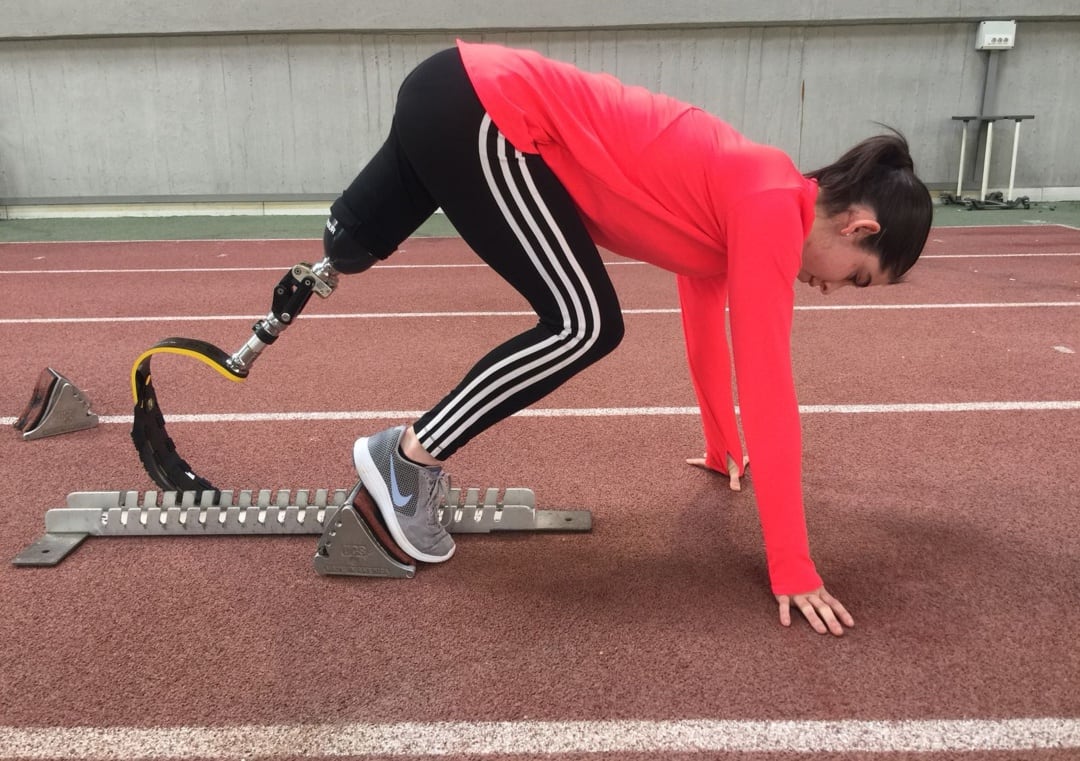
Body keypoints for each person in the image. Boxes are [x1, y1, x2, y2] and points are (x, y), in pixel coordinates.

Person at [321, 40, 933, 637]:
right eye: (855, 276)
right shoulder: (772, 205)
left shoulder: (758, 193)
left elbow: (704, 321)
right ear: (858, 228)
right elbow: (769, 386)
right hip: (485, 107)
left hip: (458, 92)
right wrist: (793, 566)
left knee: (346, 249)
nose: (832, 288)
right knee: (583, 324)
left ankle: (401, 452)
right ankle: (403, 458)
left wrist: (723, 447)